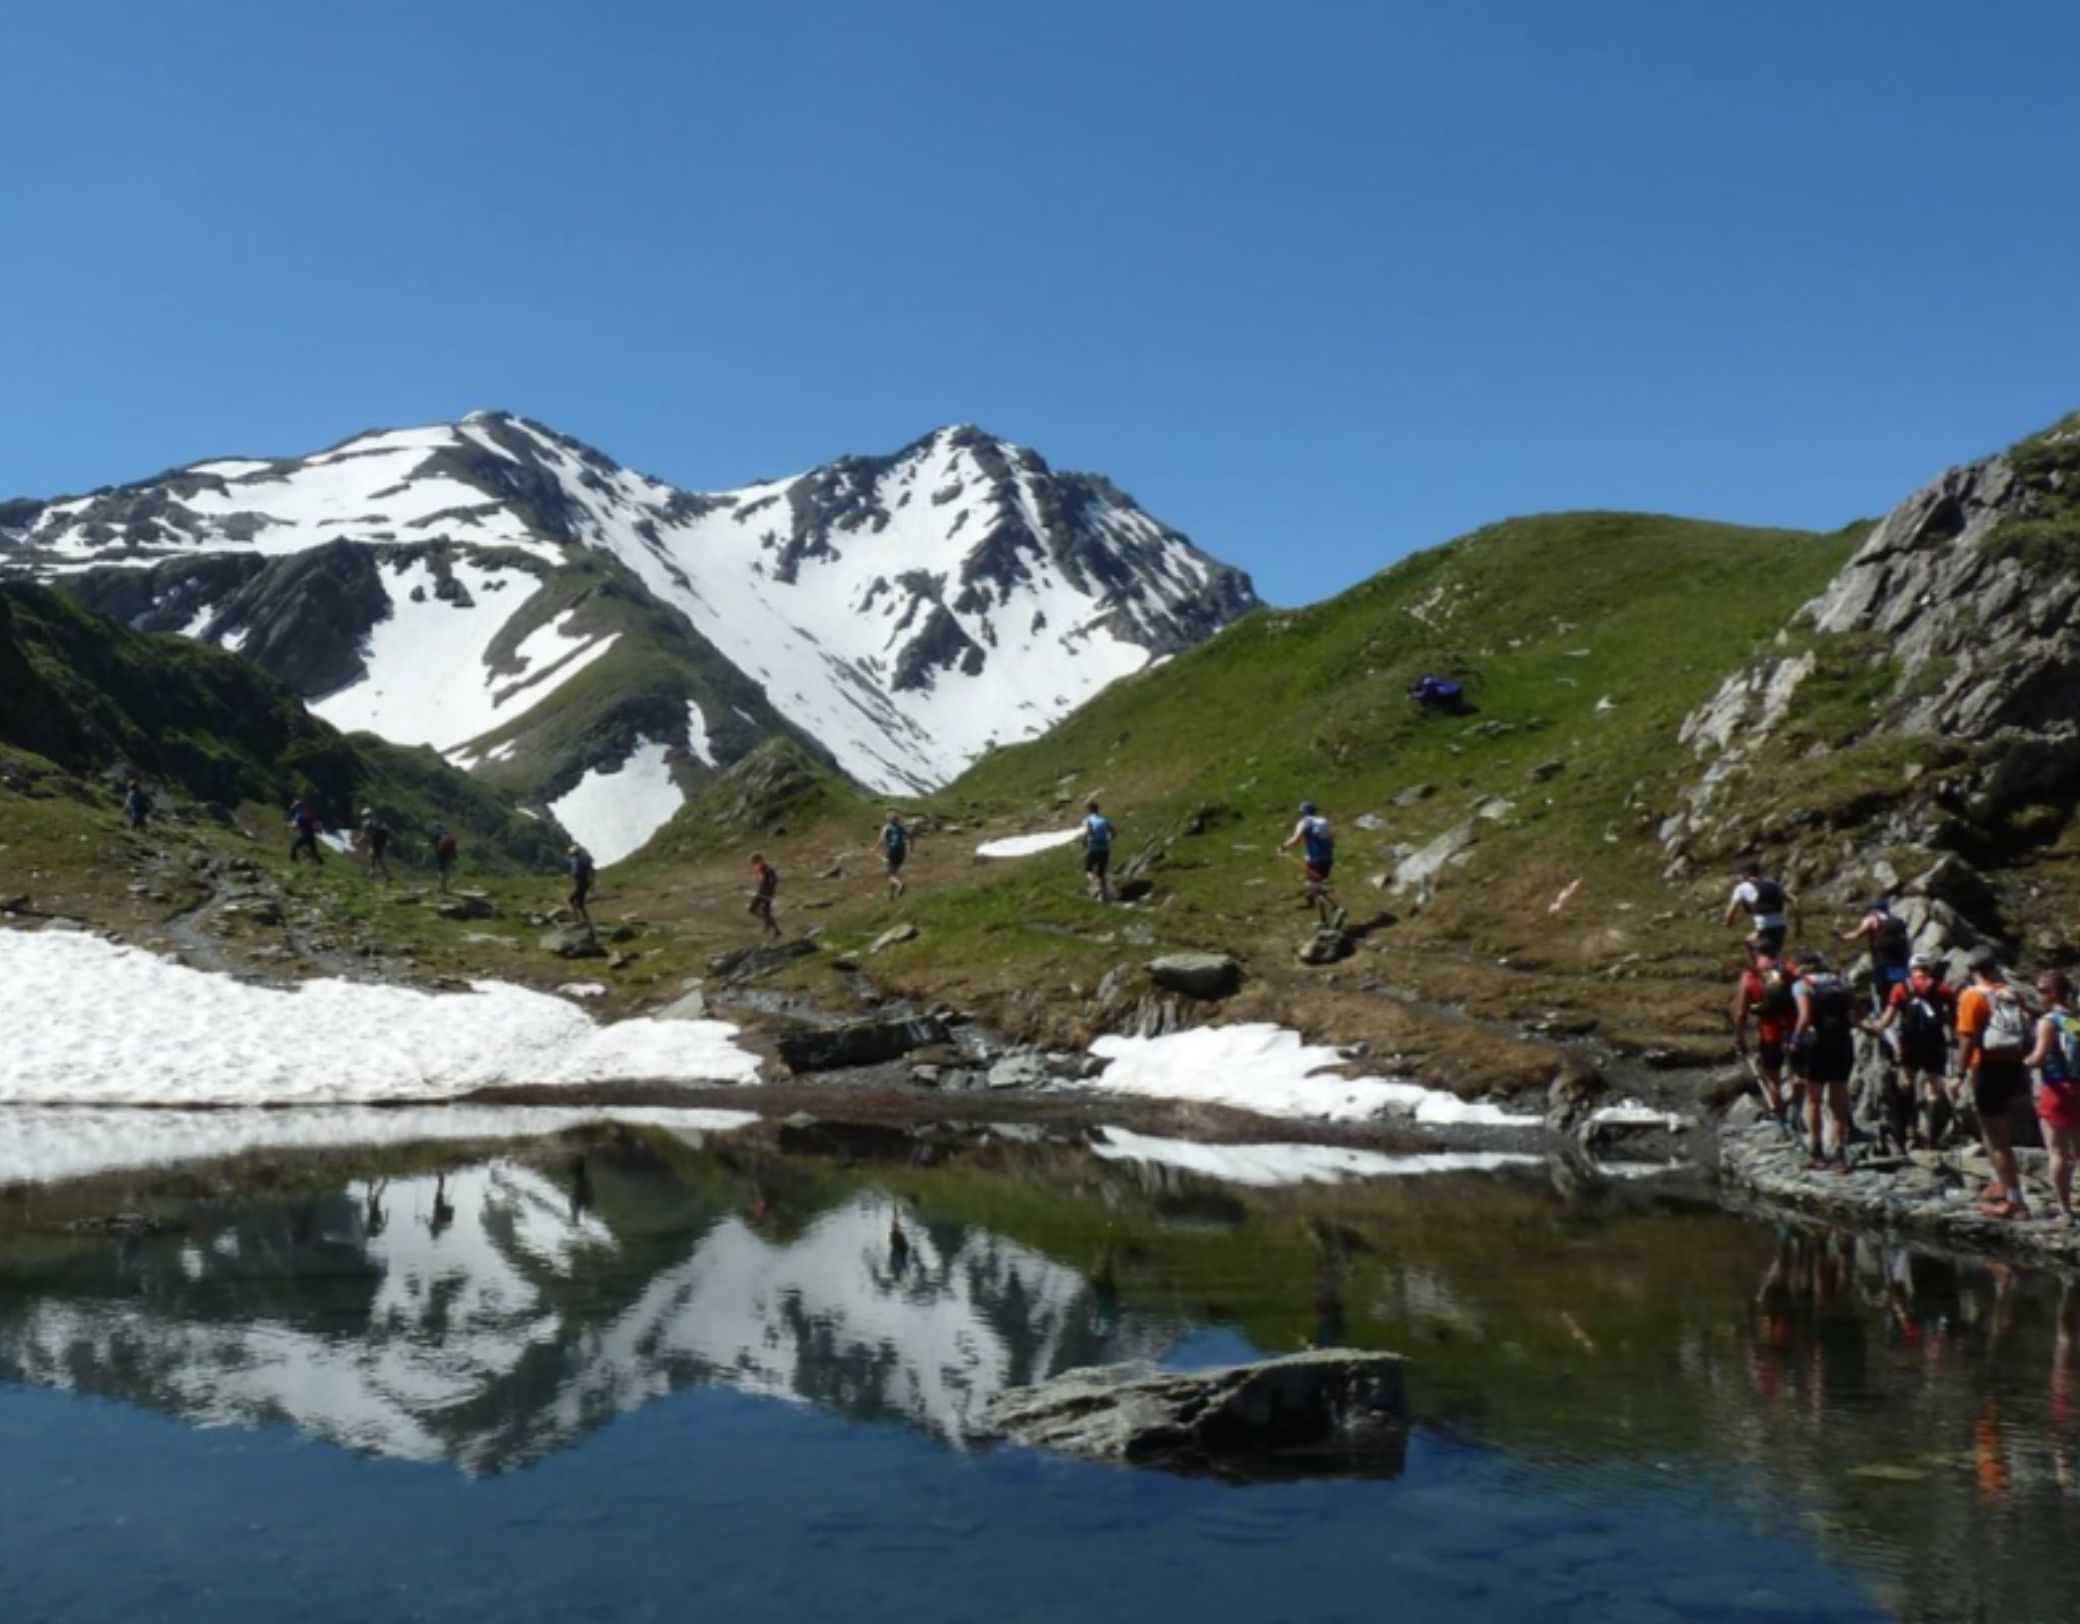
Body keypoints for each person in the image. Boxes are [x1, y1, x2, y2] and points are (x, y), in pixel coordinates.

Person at [1957, 948, 2033, 1220]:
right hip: (2014, 1068)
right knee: (1998, 1134)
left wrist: (1957, 1074)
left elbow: (1967, 1039)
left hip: (1987, 1068)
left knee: (1996, 1138)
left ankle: (2015, 1201)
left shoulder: (1973, 996)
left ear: (1973, 971)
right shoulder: (2014, 993)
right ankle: (2006, 1186)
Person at [1869, 954, 1957, 1148]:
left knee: (1907, 1083)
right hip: (1934, 1042)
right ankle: (1930, 1133)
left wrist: (1875, 1027)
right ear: (1929, 969)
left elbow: (1888, 1018)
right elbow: (1953, 1016)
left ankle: (1910, 1128)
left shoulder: (1901, 988)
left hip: (1909, 1041)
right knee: (1933, 1088)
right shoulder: (1941, 988)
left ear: (1911, 969)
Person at [1791, 950, 1858, 1170]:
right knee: (1838, 1101)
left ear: (1804, 967)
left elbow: (1805, 1017)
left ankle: (1817, 1150)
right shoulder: (1841, 982)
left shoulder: (1803, 985)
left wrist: (1794, 1041)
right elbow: (1854, 1015)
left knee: (1814, 1099)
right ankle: (1840, 1154)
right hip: (1843, 1043)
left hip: (1817, 1045)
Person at [2027, 969, 2080, 1225]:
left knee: (2057, 1152)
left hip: (2055, 1088)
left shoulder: (2047, 1021)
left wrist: (2021, 1060)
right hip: (2077, 1088)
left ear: (2054, 992)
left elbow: (2038, 1057)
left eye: (2042, 990)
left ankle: (2065, 1211)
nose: (2038, 995)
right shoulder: (2074, 1020)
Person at [1733, 940, 1799, 1133]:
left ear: (1756, 953)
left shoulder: (1750, 976)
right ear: (1777, 951)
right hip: (1794, 1030)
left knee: (1772, 1079)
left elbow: (1740, 1013)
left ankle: (1781, 1121)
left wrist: (1740, 1038)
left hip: (1770, 1033)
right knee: (1798, 1074)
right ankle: (1800, 1111)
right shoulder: (1789, 969)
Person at [1842, 897, 1913, 1014]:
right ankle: (1907, 1014)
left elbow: (1856, 935)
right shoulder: (1897, 922)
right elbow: (1907, 943)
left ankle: (1884, 1017)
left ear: (1874, 910)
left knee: (1883, 995)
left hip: (1882, 964)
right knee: (1902, 992)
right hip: (1900, 964)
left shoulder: (1872, 920)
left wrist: (1842, 936)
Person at [1281, 802, 1342, 926]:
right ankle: (1323, 919)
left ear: (1303, 812)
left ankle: (1336, 909)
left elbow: (1296, 839)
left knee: (1315, 888)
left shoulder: (1304, 822)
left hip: (1314, 860)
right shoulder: (1323, 822)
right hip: (1328, 859)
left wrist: (1283, 847)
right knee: (1317, 888)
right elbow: (1331, 841)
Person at [1723, 862, 1798, 955]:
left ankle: (1757, 968)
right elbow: (1794, 900)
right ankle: (1771, 967)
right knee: (1772, 954)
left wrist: (1727, 923)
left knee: (1758, 950)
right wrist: (1798, 925)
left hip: (1765, 926)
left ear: (1746, 874)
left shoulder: (1742, 887)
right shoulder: (1772, 883)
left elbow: (1732, 909)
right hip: (1781, 925)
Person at [1081, 799, 1114, 904]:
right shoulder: (1104, 820)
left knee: (1088, 870)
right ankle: (1104, 897)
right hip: (1105, 848)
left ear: (1089, 810)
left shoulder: (1088, 820)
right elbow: (1113, 833)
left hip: (1094, 847)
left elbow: (1089, 831)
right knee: (1102, 873)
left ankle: (1097, 887)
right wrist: (1107, 840)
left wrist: (1084, 842)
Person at [877, 810, 910, 899]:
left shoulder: (886, 827)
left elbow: (881, 840)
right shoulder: (901, 827)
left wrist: (875, 849)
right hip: (901, 851)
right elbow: (907, 837)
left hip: (892, 850)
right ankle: (892, 895)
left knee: (889, 874)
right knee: (894, 873)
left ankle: (900, 885)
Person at [748, 851, 780, 936]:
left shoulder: (763, 868)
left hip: (764, 893)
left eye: (754, 861)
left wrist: (763, 890)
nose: (753, 863)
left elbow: (765, 880)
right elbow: (773, 880)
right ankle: (775, 929)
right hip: (767, 893)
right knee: (766, 912)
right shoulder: (766, 867)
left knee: (752, 909)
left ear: (759, 860)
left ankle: (769, 923)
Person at [359, 807, 392, 883]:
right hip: (380, 841)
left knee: (375, 856)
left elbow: (367, 834)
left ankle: (382, 875)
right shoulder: (375, 820)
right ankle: (380, 873)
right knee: (373, 855)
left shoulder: (367, 823)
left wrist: (360, 840)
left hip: (376, 841)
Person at [288, 797, 324, 864]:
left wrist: (289, 826)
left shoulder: (299, 815)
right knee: (314, 852)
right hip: (311, 836)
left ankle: (293, 862)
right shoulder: (306, 813)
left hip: (305, 835)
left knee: (294, 847)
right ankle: (321, 864)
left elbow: (296, 825)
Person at [567, 843, 596, 926]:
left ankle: (578, 920)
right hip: (584, 883)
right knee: (580, 903)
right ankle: (585, 920)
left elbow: (575, 872)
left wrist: (573, 875)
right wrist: (591, 883)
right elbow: (592, 871)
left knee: (571, 899)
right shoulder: (583, 860)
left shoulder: (576, 860)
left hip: (581, 884)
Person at [432, 823, 459, 895]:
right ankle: (443, 888)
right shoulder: (446, 836)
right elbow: (454, 844)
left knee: (441, 872)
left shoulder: (435, 837)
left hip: (440, 856)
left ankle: (441, 888)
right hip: (448, 857)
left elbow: (434, 846)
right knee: (446, 873)